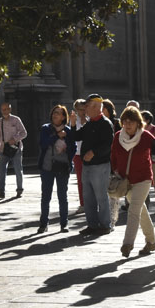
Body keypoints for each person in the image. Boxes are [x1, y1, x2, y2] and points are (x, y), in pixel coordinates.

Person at [111, 107, 155, 257]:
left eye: (131, 121)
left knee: (133, 210)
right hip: (125, 181)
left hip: (143, 179)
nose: (128, 124)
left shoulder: (146, 137)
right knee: (141, 210)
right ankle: (151, 242)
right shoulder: (118, 136)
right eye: (125, 121)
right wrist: (115, 172)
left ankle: (127, 243)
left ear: (138, 123)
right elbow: (113, 157)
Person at [70, 94, 114, 236]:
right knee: (88, 197)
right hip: (87, 166)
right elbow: (76, 137)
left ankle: (105, 225)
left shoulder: (105, 123)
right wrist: (71, 124)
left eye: (87, 106)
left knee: (101, 196)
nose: (85, 109)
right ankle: (92, 225)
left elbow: (108, 144)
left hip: (99, 165)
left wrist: (94, 152)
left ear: (96, 106)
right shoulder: (89, 123)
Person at [37, 105, 76, 234]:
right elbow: (43, 143)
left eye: (58, 113)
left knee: (62, 196)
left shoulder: (69, 131)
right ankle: (43, 223)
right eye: (54, 112)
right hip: (47, 167)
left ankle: (64, 224)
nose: (55, 115)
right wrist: (57, 136)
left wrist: (67, 147)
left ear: (64, 117)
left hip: (62, 167)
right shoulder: (46, 128)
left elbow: (73, 147)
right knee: (45, 196)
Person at [0, 102, 27, 198]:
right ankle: (1, 191)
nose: (4, 111)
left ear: (10, 109)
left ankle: (19, 189)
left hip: (16, 149)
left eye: (6, 109)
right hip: (4, 149)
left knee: (18, 170)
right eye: (3, 109)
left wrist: (15, 139)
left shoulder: (16, 120)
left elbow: (24, 133)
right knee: (1, 171)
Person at [72, 99, 87, 214]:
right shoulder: (73, 120)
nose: (83, 112)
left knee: (91, 180)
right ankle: (83, 203)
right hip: (78, 153)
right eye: (80, 110)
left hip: (89, 153)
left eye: (84, 109)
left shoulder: (90, 119)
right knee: (81, 180)